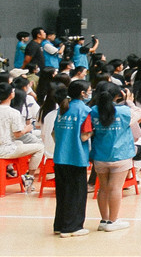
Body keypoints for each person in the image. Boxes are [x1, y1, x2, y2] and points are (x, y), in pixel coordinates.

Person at [87, 84, 136, 233]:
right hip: (121, 154)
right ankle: (113, 221)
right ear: (117, 95)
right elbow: (139, 115)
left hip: (100, 155)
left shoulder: (92, 111)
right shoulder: (125, 111)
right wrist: (129, 101)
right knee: (115, 188)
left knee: (103, 188)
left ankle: (104, 220)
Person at [50, 81, 95, 238]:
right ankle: (72, 227)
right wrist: (93, 132)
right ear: (83, 93)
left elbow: (54, 133)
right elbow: (84, 136)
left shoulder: (63, 108)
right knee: (76, 194)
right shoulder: (84, 110)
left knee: (62, 193)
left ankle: (59, 225)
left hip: (60, 157)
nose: (90, 93)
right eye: (89, 90)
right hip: (76, 157)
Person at [0, 82, 44, 186]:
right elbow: (18, 134)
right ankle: (29, 177)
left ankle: (12, 170)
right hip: (4, 150)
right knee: (40, 147)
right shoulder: (13, 112)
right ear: (11, 95)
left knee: (19, 143)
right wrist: (27, 129)